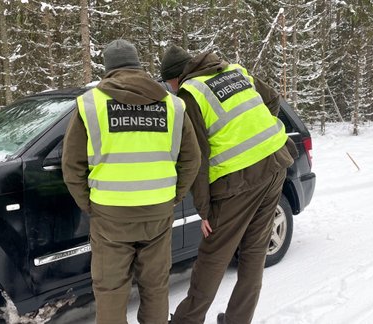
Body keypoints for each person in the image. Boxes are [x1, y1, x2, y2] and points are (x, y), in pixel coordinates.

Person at [62, 39, 200, 324]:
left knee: (110, 289)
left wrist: (89, 204)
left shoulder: (90, 104)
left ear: (108, 69)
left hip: (110, 214)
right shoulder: (173, 106)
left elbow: (71, 165)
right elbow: (192, 159)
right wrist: (174, 196)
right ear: (138, 65)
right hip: (158, 212)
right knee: (155, 285)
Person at [161, 46, 296, 324]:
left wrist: (205, 210)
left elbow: (197, 157)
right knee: (254, 252)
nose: (170, 89)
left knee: (212, 258)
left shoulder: (191, 93)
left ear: (175, 79)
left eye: (168, 84)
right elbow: (272, 98)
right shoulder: (234, 70)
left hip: (239, 181)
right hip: (275, 164)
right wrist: (257, 131)